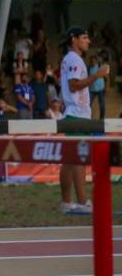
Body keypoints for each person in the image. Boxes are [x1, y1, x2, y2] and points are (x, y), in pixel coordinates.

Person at [58, 26, 109, 215]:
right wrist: (97, 76)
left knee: (70, 160)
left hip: (75, 113)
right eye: (85, 37)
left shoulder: (69, 59)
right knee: (79, 159)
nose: (88, 41)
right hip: (77, 115)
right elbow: (73, 86)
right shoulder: (74, 59)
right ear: (74, 40)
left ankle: (66, 202)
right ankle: (82, 202)